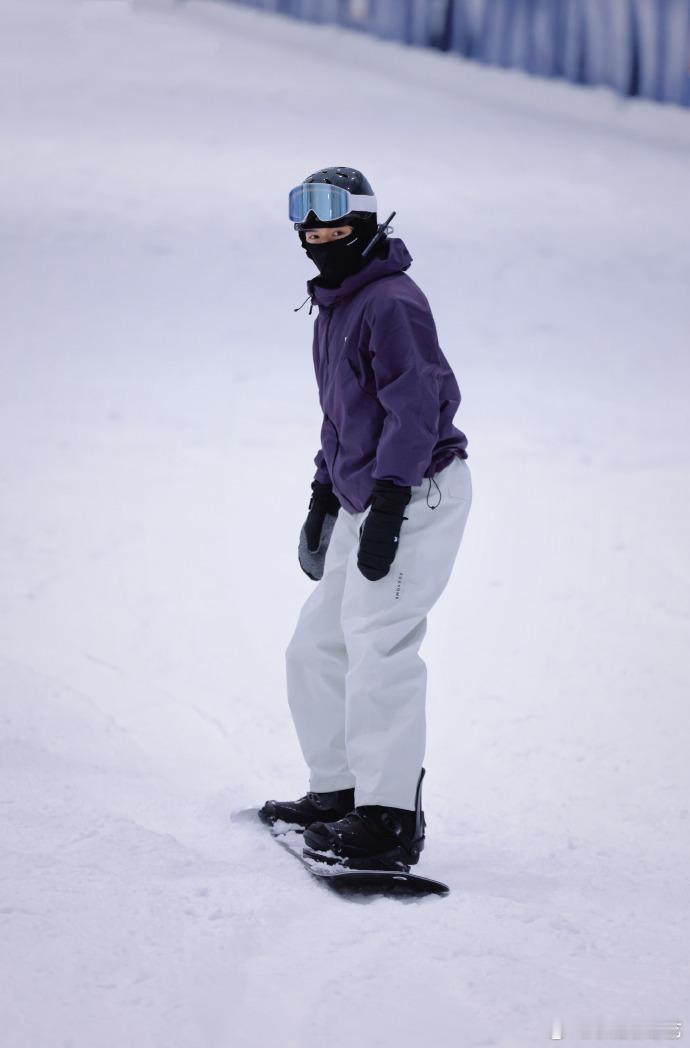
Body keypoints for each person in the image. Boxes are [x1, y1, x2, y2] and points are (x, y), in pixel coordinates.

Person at [259, 166, 472, 871]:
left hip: (414, 491)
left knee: (380, 647)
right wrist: (324, 497)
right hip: (363, 494)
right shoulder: (336, 305)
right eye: (308, 230)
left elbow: (418, 410)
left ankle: (388, 819)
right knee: (316, 647)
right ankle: (340, 791)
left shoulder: (391, 303)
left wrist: (387, 507)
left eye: (333, 228)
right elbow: (342, 416)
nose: (318, 239)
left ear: (366, 226)